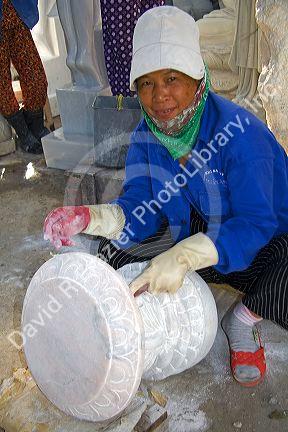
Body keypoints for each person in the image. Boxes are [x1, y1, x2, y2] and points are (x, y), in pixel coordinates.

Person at [44, 6, 288, 388]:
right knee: (117, 250)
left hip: (264, 242)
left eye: (172, 78)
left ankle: (242, 319)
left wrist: (185, 256)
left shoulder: (240, 135)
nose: (160, 96)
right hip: (198, 226)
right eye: (146, 83)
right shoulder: (148, 134)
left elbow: (256, 222)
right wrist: (93, 218)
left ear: (198, 78)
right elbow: (140, 204)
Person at [0, 0, 49, 154]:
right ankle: (24, 133)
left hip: (17, 12)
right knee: (2, 85)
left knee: (36, 77)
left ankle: (36, 126)